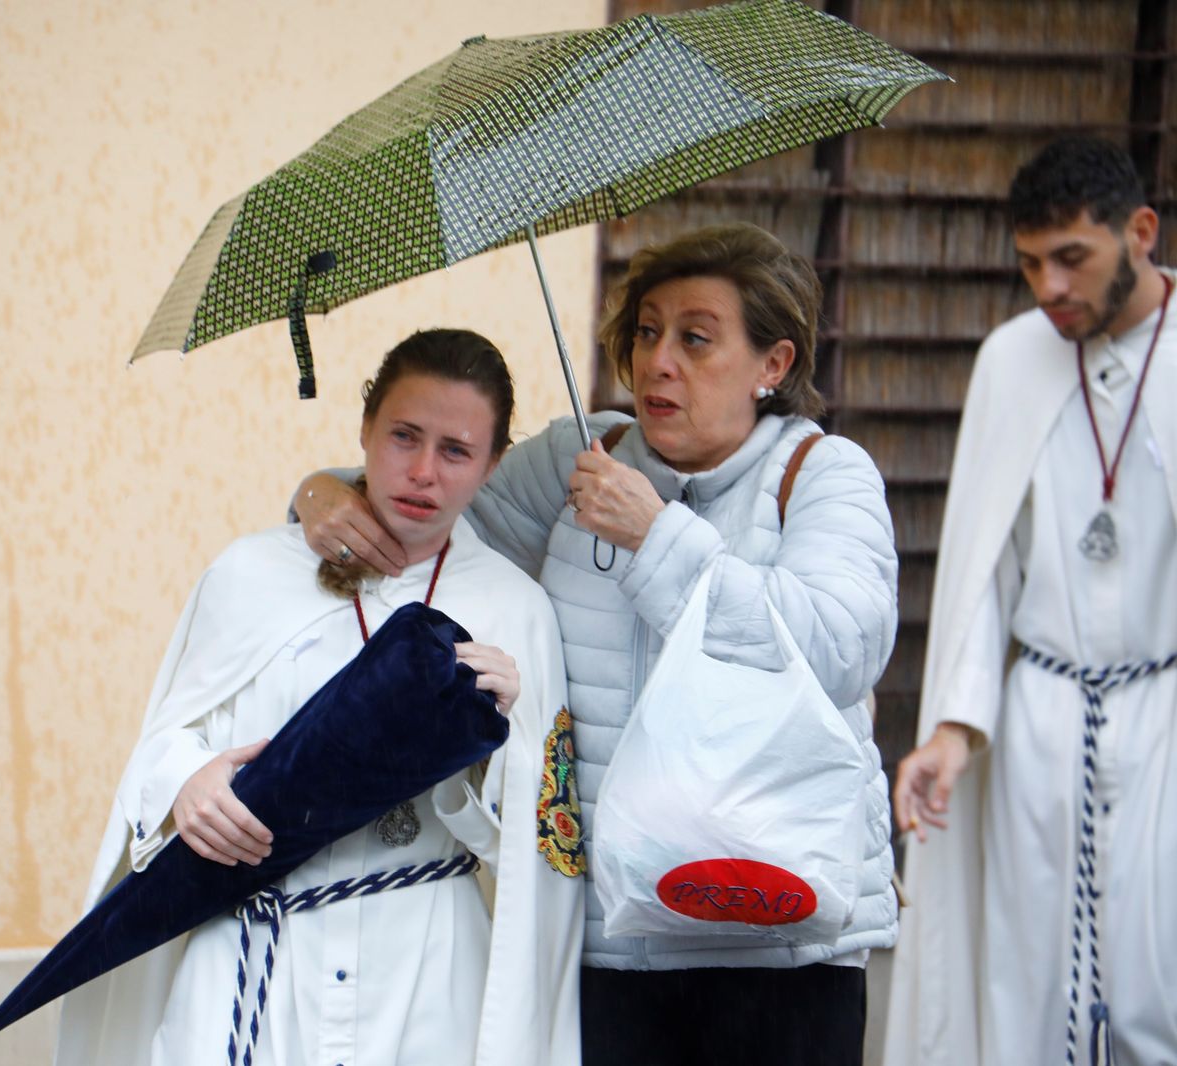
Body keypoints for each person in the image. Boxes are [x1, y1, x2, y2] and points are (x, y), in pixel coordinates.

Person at [297, 223, 899, 1065]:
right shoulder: (583, 457)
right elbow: (426, 521)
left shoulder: (825, 473)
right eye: (647, 332)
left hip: (779, 932)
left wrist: (658, 539)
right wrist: (323, 492)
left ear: (774, 363)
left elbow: (840, 649)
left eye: (695, 338)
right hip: (609, 935)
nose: (658, 362)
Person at [53, 328, 584, 1066]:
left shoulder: (515, 609)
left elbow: (546, 843)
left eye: (456, 451)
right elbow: (165, 740)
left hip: (427, 973)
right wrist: (186, 781)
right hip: (253, 955)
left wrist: (498, 746)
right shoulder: (250, 574)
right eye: (404, 436)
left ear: (493, 465)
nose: (423, 472)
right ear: (365, 428)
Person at [887, 138, 1177, 1066]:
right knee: (1023, 984)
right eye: (1029, 263)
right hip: (1039, 720)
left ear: (1141, 232)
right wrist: (953, 731)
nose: (1049, 286)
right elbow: (987, 571)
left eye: (1071, 258)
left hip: (1166, 716)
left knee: (1156, 986)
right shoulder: (1012, 362)